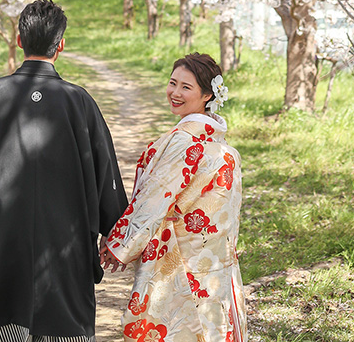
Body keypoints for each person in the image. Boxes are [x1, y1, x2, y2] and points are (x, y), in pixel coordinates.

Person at [0, 0, 128, 342]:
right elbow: (104, 174)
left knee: (4, 317)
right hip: (66, 244)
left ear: (19, 41)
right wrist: (112, 229)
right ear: (61, 45)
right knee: (65, 325)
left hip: (2, 239)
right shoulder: (80, 101)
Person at [104, 52, 247, 342]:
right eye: (172, 83)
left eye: (186, 87)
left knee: (177, 329)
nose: (175, 92)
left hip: (178, 258)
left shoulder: (184, 140)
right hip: (214, 262)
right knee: (209, 328)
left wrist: (121, 244)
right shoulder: (224, 147)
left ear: (208, 94)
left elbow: (155, 198)